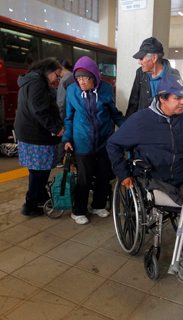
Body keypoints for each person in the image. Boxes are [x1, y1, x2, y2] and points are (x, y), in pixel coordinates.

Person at [107, 74, 183, 283]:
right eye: (177, 98)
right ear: (162, 98)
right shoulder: (140, 121)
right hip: (154, 180)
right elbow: (113, 145)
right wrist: (123, 174)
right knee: (176, 206)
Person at [63, 56, 125, 225]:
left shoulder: (105, 88)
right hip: (82, 141)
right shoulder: (72, 91)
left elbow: (114, 113)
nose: (82, 82)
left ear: (95, 77)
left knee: (103, 176)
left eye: (86, 78)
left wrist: (127, 129)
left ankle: (98, 205)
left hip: (104, 140)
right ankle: (78, 211)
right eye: (79, 78)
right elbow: (68, 117)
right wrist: (67, 138)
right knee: (84, 178)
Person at [14, 58, 64, 216]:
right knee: (39, 172)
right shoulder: (37, 83)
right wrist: (57, 128)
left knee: (36, 170)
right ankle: (30, 205)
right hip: (36, 135)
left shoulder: (30, 81)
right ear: (48, 71)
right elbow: (39, 110)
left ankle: (40, 197)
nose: (57, 79)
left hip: (28, 133)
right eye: (57, 75)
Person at [125, 37, 180, 118]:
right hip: (144, 123)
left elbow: (178, 104)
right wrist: (128, 125)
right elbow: (133, 103)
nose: (139, 62)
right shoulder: (140, 73)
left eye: (141, 58)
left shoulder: (174, 74)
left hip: (164, 125)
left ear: (154, 58)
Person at [55, 59, 74, 167]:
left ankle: (60, 159)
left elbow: (62, 102)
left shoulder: (66, 79)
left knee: (63, 135)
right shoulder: (71, 77)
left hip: (66, 113)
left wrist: (60, 117)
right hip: (69, 113)